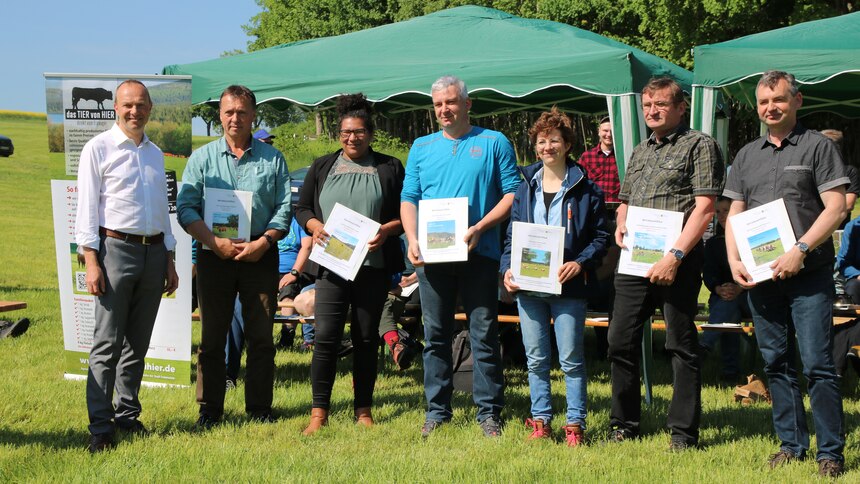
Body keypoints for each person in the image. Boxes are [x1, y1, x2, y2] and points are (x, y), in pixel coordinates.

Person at [724, 70, 847, 478]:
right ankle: (792, 445)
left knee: (816, 365)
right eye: (763, 102)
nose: (769, 108)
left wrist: (801, 249)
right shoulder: (746, 155)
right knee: (775, 362)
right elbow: (734, 214)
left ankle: (830, 452)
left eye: (777, 99)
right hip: (762, 278)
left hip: (808, 274)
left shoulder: (818, 147)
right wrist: (735, 260)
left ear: (797, 101)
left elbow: (836, 208)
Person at [607, 77, 724, 450]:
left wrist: (674, 256)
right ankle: (624, 423)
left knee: (680, 344)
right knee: (618, 340)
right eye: (646, 106)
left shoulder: (700, 145)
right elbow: (625, 199)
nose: (652, 112)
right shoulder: (640, 150)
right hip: (635, 260)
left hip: (680, 260)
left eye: (660, 105)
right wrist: (621, 221)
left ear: (680, 107)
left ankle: (683, 433)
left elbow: (705, 209)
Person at [401, 75, 521, 438]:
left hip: (479, 254)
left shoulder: (494, 142)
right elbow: (410, 198)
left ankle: (489, 413)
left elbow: (512, 194)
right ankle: (437, 411)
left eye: (451, 102)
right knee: (435, 335)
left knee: (483, 334)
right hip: (433, 258)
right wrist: (411, 238)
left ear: (468, 104)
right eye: (438, 104)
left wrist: (480, 227)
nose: (444, 110)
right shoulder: (421, 147)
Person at [177, 85, 291, 428]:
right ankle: (209, 409)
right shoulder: (202, 158)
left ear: (253, 115)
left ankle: (259, 408)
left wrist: (265, 242)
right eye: (228, 112)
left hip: (260, 254)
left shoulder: (274, 159)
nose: (235, 118)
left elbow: (285, 209)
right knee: (212, 337)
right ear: (219, 116)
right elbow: (185, 208)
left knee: (260, 337)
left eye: (242, 112)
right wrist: (213, 242)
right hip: (214, 256)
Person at [75, 80, 179, 453]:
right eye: (127, 105)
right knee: (107, 343)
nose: (134, 111)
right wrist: (91, 259)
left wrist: (169, 257)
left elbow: (163, 213)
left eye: (141, 105)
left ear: (150, 108)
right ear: (115, 108)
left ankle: (127, 415)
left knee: (138, 343)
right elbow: (86, 206)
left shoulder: (155, 153)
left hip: (154, 253)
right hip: (114, 250)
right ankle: (101, 427)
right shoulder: (97, 148)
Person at [294, 93, 405, 435]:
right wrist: (315, 227)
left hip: (372, 267)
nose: (351, 138)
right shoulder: (322, 166)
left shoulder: (389, 167)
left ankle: (363, 409)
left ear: (370, 133)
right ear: (338, 134)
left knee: (366, 339)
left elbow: (406, 213)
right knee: (325, 337)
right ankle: (319, 412)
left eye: (358, 132)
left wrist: (388, 230)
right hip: (332, 266)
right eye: (345, 132)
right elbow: (302, 208)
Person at [500, 108, 610, 446]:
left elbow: (601, 236)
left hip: (569, 286)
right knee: (536, 358)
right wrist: (506, 268)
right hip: (529, 287)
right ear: (535, 146)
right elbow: (511, 236)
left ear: (567, 144)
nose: (547, 147)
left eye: (554, 141)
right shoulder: (524, 187)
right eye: (541, 141)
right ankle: (541, 421)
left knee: (571, 359)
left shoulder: (586, 188)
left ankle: (575, 425)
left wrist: (581, 263)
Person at [700, 197, 748, 382]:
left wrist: (740, 288)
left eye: (726, 210)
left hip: (750, 293)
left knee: (730, 305)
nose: (721, 215)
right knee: (730, 309)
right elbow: (709, 272)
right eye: (717, 211)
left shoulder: (749, 238)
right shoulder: (713, 243)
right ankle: (730, 371)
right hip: (723, 295)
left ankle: (705, 345)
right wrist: (718, 288)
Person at [275, 217, 314, 349]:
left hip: (291, 272)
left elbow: (307, 246)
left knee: (288, 292)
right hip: (267, 269)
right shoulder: (268, 219)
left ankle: (287, 336)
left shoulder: (299, 222)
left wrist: (294, 273)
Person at [577, 116, 620, 204]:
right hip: (594, 209)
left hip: (618, 209)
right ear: (598, 131)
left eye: (612, 131)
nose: (609, 135)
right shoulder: (587, 157)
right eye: (605, 131)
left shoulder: (623, 156)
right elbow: (578, 183)